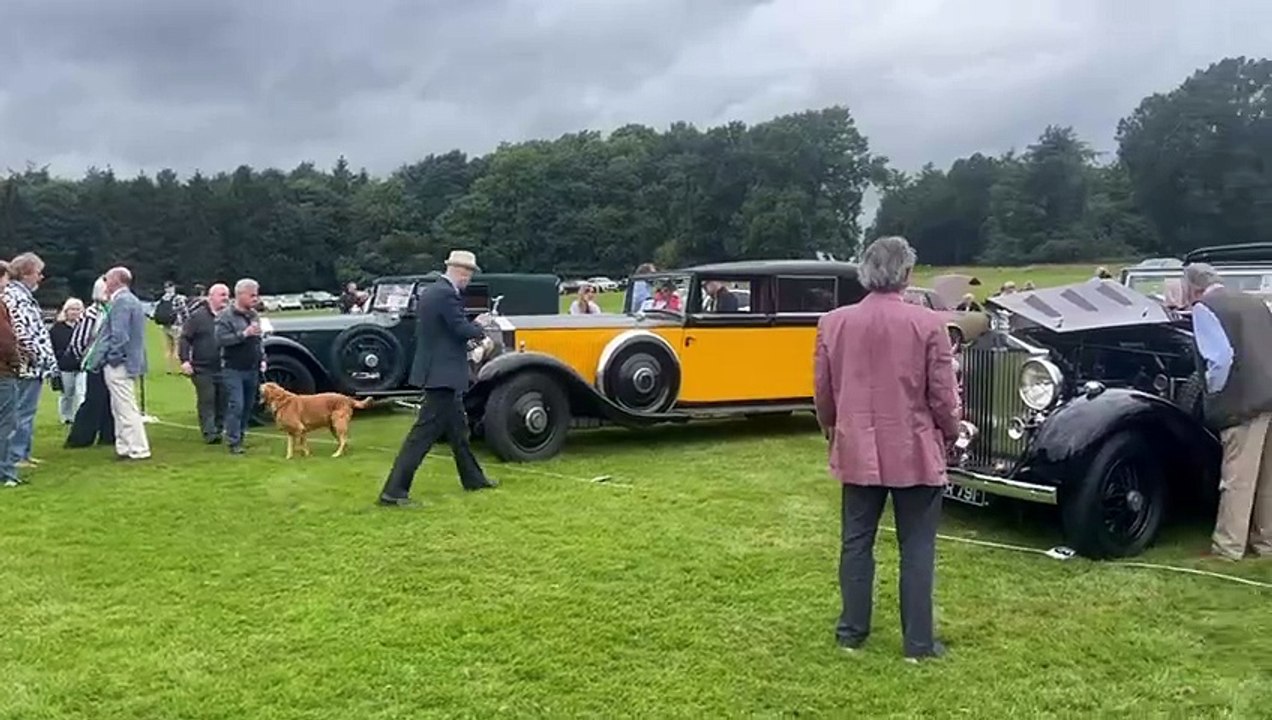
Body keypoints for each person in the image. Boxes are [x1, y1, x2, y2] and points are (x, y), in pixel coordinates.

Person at [813, 236, 960, 662]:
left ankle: (851, 634)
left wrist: (832, 426)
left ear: (865, 271)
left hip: (857, 446)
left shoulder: (833, 322)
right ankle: (918, 644)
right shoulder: (928, 323)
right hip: (914, 447)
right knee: (916, 546)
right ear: (907, 274)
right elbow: (943, 395)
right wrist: (952, 431)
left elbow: (823, 392)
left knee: (855, 542)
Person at [379, 250, 497, 506]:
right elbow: (459, 328)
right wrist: (481, 326)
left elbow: (443, 329)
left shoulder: (432, 291)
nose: (469, 279)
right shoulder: (446, 294)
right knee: (421, 436)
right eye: (468, 274)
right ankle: (394, 491)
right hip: (442, 374)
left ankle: (473, 479)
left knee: (458, 432)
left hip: (438, 371)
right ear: (461, 272)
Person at [1184, 263, 1272, 560]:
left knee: (1237, 477)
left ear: (1192, 287)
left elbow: (1220, 359)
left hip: (1243, 402)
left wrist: (1214, 393)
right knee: (1267, 477)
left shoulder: (1205, 308)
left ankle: (1228, 548)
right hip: (1270, 395)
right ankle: (1265, 544)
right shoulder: (1256, 302)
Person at [88, 266, 150, 461]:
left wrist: (112, 358)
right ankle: (124, 446)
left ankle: (138, 448)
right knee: (118, 406)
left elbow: (120, 335)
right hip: (128, 360)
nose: (105, 283)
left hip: (120, 363)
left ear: (116, 281)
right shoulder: (131, 300)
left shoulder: (122, 301)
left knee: (125, 407)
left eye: (107, 279)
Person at [4, 252, 56, 470]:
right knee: (21, 411)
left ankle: (23, 452)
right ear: (26, 274)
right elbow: (20, 331)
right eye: (38, 273)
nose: (40, 277)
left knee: (28, 411)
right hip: (26, 364)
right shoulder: (14, 297)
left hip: (34, 365)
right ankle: (16, 455)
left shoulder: (22, 296)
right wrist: (33, 356)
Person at [216, 278, 266, 455]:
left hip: (252, 367)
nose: (255, 298)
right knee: (236, 404)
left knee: (248, 406)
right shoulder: (225, 316)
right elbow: (220, 340)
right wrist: (243, 334)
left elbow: (258, 340)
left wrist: (262, 358)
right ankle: (233, 441)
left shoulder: (253, 315)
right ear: (240, 295)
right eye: (252, 295)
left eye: (256, 295)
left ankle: (241, 437)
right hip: (232, 367)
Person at [66, 276, 116, 449]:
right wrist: (87, 359)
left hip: (107, 363)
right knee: (93, 400)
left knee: (109, 400)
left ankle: (108, 435)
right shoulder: (91, 313)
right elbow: (79, 340)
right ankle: (80, 438)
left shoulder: (109, 311)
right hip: (94, 364)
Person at [180, 282, 230, 444]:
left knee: (223, 399)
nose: (226, 298)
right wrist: (185, 360)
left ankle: (219, 428)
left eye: (227, 295)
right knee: (207, 399)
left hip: (225, 366)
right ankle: (209, 433)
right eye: (222, 295)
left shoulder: (229, 315)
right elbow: (185, 338)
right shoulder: (197, 317)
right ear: (211, 297)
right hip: (202, 368)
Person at [0, 262, 25, 487]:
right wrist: (16, 361)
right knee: (6, 423)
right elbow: (6, 339)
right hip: (2, 371)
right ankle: (6, 472)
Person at [49, 297, 87, 424]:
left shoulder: (84, 327)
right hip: (65, 366)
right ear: (66, 311)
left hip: (82, 365)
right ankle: (66, 417)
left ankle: (80, 417)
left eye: (78, 309)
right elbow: (53, 347)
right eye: (72, 309)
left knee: (81, 393)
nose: (75, 312)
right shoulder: (57, 328)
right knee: (67, 393)